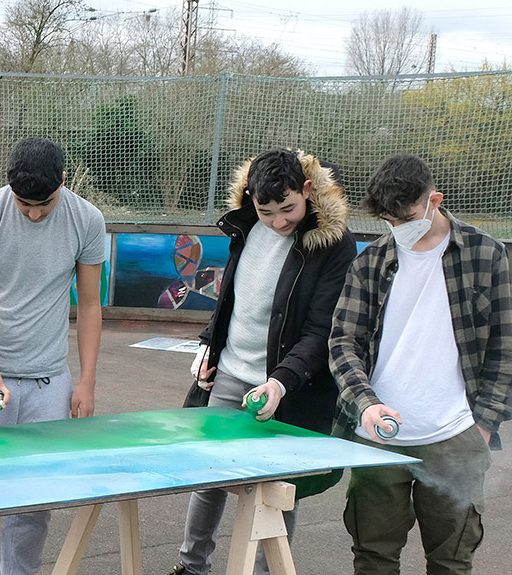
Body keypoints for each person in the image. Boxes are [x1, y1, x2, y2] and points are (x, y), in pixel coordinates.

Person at [167, 149, 357, 575]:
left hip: (289, 383)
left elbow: (320, 330)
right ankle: (192, 566)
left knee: (276, 488)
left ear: (307, 190)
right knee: (208, 475)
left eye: (288, 208)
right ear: (251, 197)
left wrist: (280, 382)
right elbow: (232, 298)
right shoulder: (245, 224)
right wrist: (208, 345)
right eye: (266, 210)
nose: (278, 221)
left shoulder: (333, 242)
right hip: (230, 372)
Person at [330, 153, 509, 575]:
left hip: (456, 436)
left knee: (451, 560)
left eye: (406, 217)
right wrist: (365, 404)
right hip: (378, 435)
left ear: (434, 200)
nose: (399, 229)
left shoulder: (487, 255)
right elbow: (342, 343)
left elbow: (507, 346)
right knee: (373, 557)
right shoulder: (370, 261)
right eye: (389, 222)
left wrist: (483, 423)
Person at [0, 137, 105, 575]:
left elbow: (90, 305)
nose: (34, 213)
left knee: (35, 497)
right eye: (24, 203)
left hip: (48, 382)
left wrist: (87, 380)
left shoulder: (87, 220)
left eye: (44, 204)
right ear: (7, 186)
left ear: (64, 182)